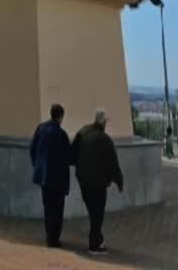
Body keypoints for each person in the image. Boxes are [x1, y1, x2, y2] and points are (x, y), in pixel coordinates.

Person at [71, 109, 124, 256]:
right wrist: (119, 181)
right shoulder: (104, 139)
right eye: (106, 122)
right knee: (97, 214)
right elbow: (113, 163)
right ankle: (94, 246)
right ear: (103, 122)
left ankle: (98, 240)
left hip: (83, 181)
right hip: (98, 184)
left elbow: (72, 153)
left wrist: (79, 167)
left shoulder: (83, 131)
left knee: (93, 212)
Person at [29, 103, 72, 249]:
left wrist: (37, 166)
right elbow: (68, 157)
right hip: (58, 179)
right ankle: (54, 239)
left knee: (48, 208)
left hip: (44, 177)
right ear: (61, 117)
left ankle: (49, 236)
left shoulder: (41, 128)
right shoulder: (61, 135)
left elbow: (32, 149)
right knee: (58, 210)